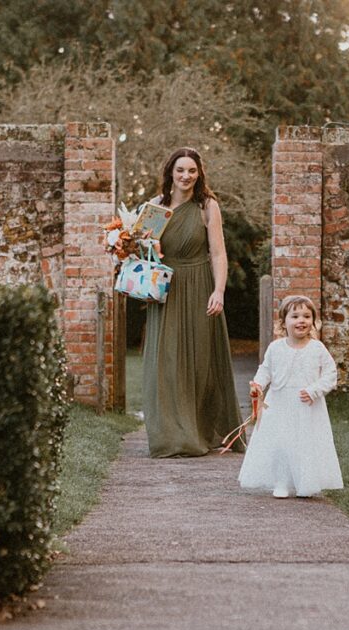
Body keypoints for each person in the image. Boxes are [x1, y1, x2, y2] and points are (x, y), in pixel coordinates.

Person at [142, 147, 243, 458]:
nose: (186, 176)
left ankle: (199, 431)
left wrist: (219, 291)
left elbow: (218, 253)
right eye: (180, 170)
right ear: (170, 172)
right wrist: (133, 243)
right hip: (166, 290)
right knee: (166, 362)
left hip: (200, 286)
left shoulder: (207, 206)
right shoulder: (155, 207)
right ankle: (172, 435)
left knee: (200, 361)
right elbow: (144, 252)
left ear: (199, 175)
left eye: (192, 171)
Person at [238, 295, 343, 498]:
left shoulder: (317, 348)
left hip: (307, 406)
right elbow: (265, 370)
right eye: (295, 316)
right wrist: (258, 385)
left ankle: (306, 483)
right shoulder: (275, 348)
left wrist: (314, 390)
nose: (301, 320)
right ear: (283, 322)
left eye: (306, 316)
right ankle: (281, 482)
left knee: (305, 444)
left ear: (313, 321)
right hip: (279, 405)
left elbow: (331, 374)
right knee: (281, 444)